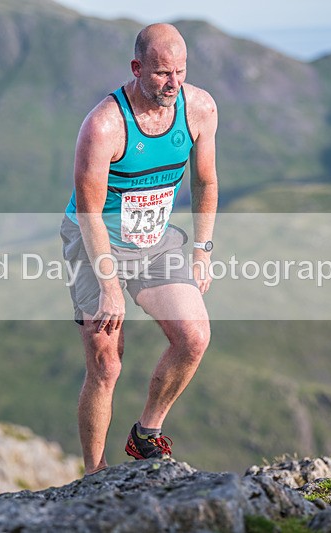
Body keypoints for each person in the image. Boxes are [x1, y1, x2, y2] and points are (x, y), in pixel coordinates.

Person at [60, 23, 218, 475]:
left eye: (180, 72)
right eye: (162, 73)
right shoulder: (104, 126)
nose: (173, 83)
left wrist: (202, 251)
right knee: (106, 364)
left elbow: (205, 182)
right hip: (95, 241)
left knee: (194, 338)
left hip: (154, 242)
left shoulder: (200, 109)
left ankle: (146, 433)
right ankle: (94, 474)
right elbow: (89, 213)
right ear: (136, 68)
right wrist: (110, 287)